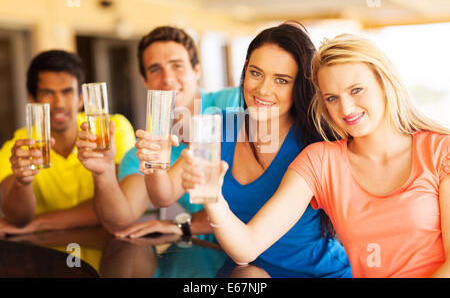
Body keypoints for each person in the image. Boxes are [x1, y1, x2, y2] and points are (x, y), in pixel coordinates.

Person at [182, 33, 450, 278]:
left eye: (356, 90)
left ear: (384, 83)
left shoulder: (440, 151)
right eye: (332, 98)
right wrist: (213, 198)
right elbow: (247, 247)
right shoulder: (320, 162)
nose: (346, 107)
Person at [123, 22, 352, 277]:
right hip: (247, 272)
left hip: (314, 272)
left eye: (281, 80)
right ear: (244, 71)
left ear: (299, 86)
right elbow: (163, 196)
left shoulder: (314, 144)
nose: (263, 89)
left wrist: (211, 197)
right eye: (256, 73)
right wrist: (155, 164)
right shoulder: (218, 126)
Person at [76, 26, 241, 234]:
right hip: (204, 254)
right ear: (145, 81)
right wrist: (104, 172)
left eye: (177, 66)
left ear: (196, 70)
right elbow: (119, 220)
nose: (167, 78)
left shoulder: (233, 102)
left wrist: (183, 225)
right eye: (155, 69)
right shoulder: (147, 151)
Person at [0, 50, 135, 235]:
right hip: (50, 255)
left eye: (67, 92)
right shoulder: (19, 147)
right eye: (48, 93)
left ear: (81, 99)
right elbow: (17, 218)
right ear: (32, 99)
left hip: (111, 246)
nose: (59, 103)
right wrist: (22, 182)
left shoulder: (111, 129)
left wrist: (40, 222)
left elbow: (120, 205)